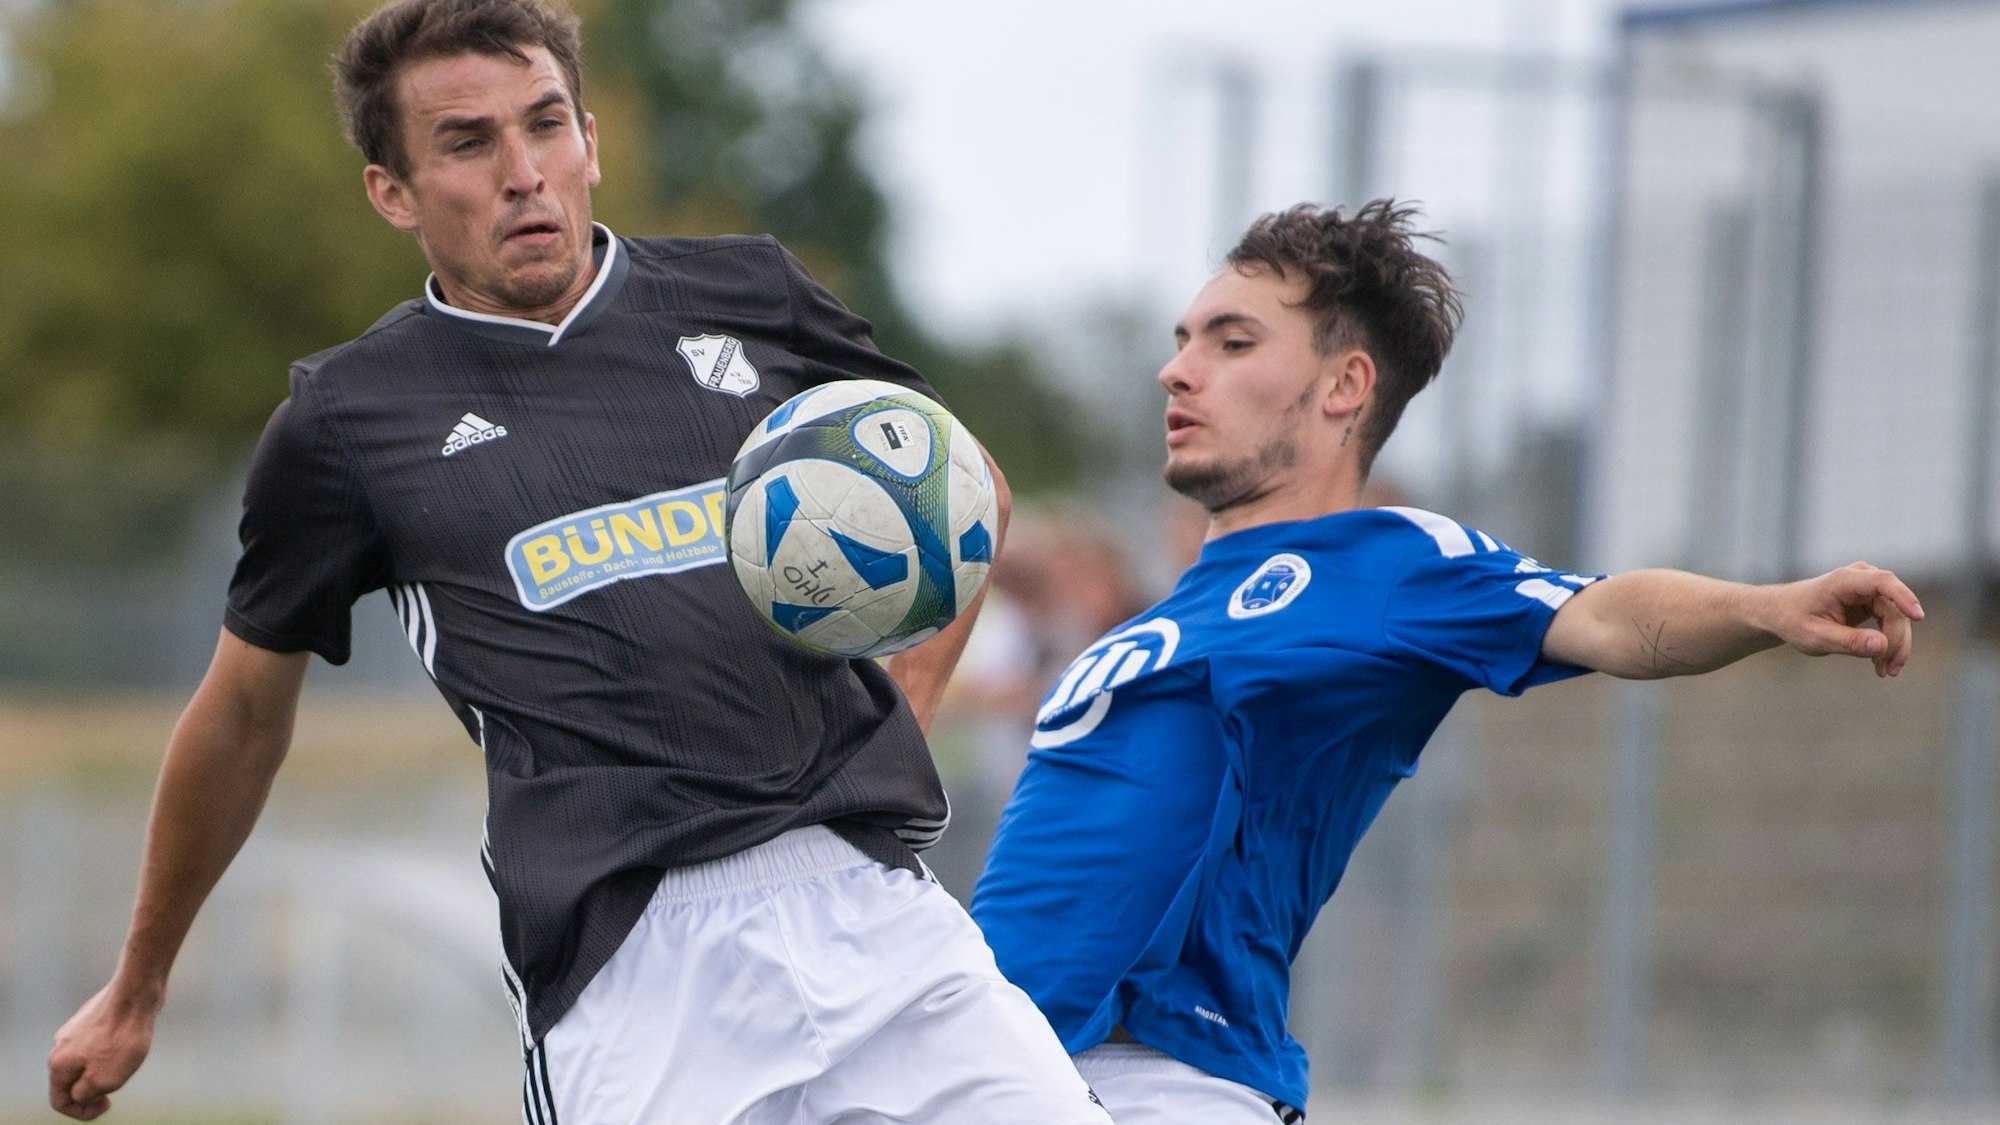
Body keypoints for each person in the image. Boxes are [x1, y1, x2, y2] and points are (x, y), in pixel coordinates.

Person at [46, 2, 1110, 1122]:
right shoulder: (347, 419)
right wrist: (138, 984)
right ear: (392, 192)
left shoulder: (749, 294)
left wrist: (909, 698)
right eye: (467, 142)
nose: (523, 173)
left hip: (872, 906)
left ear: (589, 140)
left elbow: (963, 483)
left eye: (544, 125)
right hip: (634, 961)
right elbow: (244, 716)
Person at [970, 200, 1922, 1124]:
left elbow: (1606, 615)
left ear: (1345, 385)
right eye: (1184, 339)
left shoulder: (1385, 563)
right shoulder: (1175, 607)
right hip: (998, 1060)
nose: (1179, 370)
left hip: (1150, 1073)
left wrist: (1767, 606)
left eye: (1231, 341)